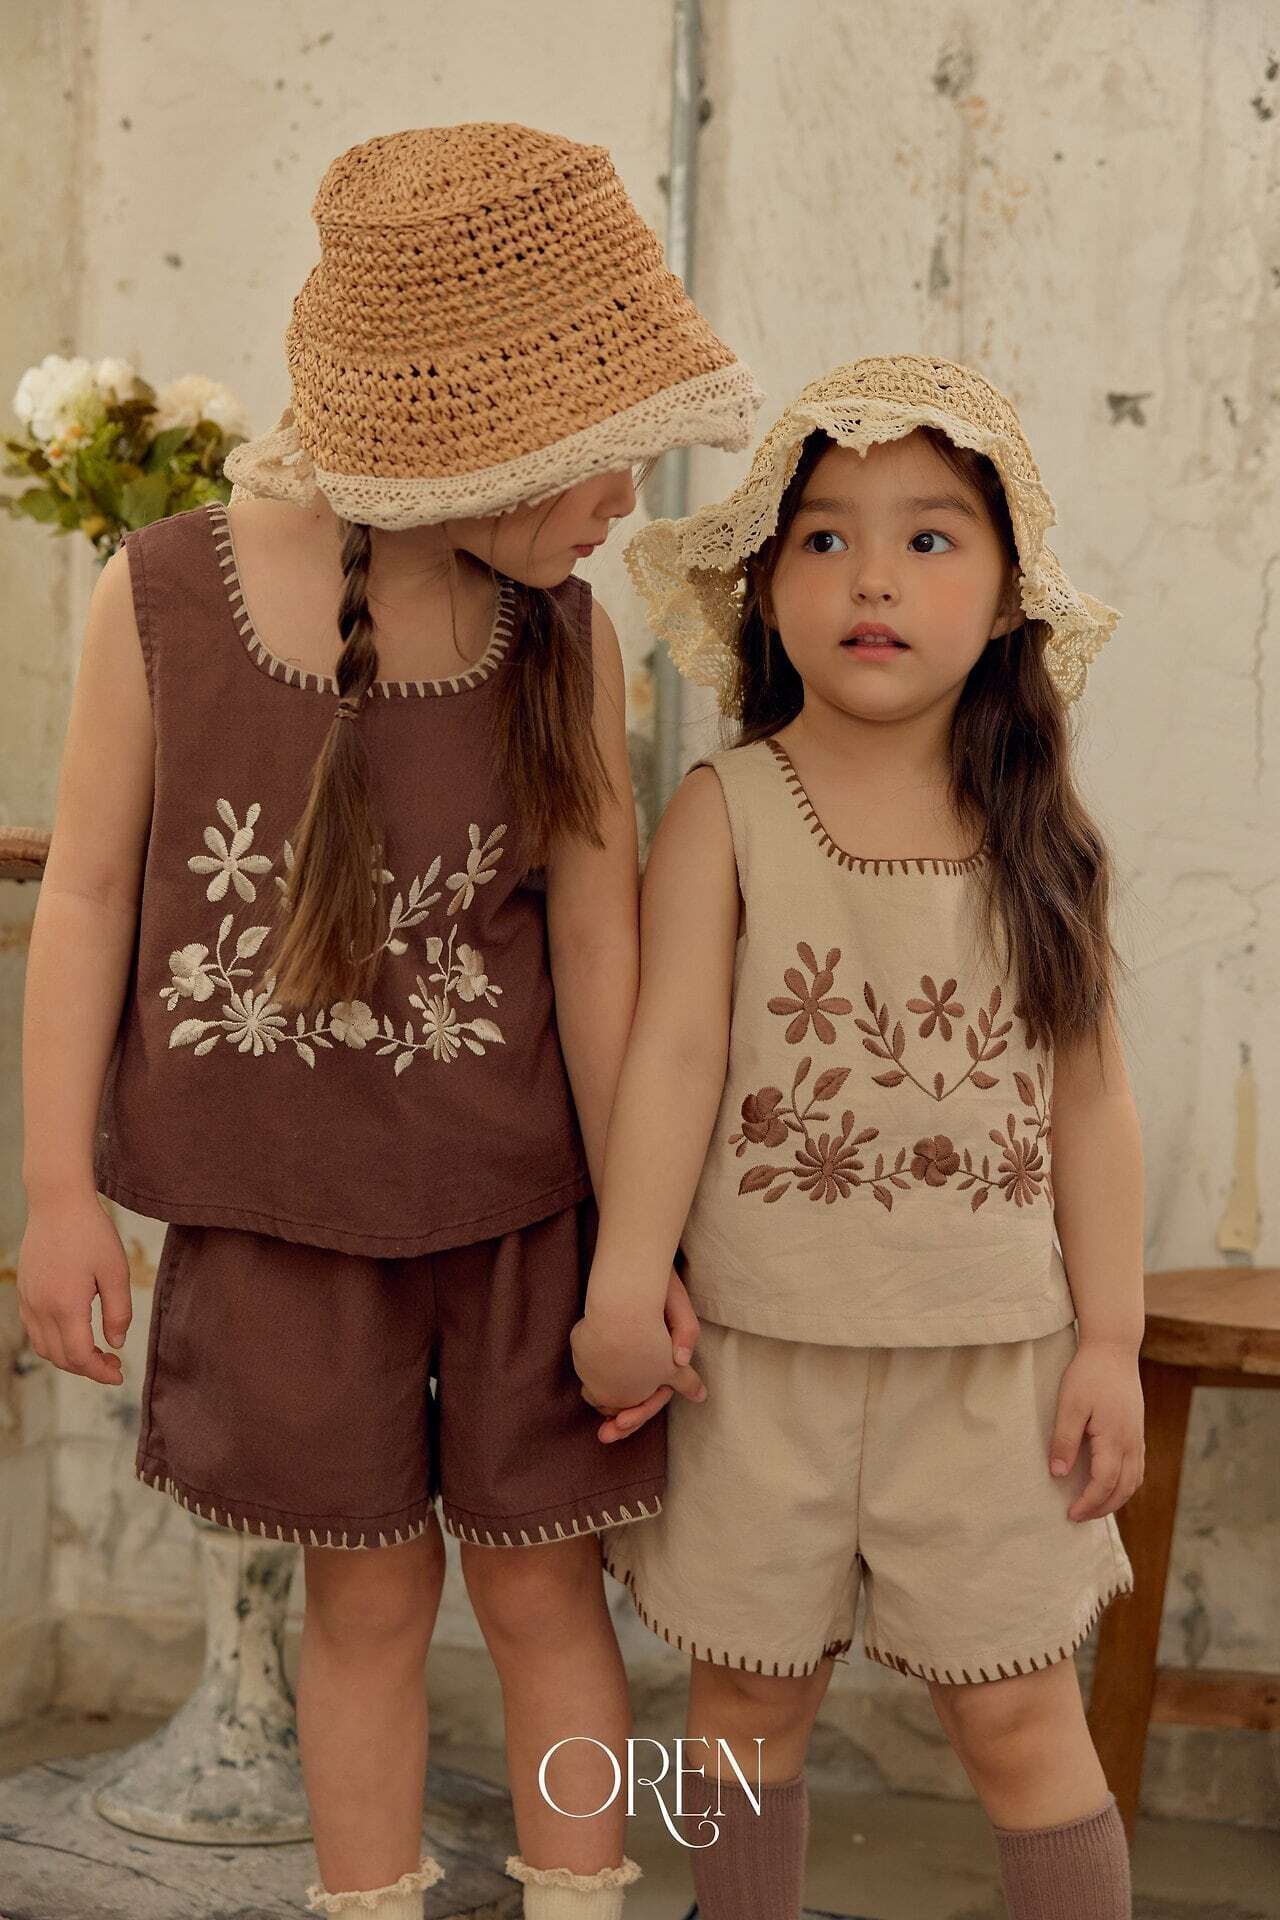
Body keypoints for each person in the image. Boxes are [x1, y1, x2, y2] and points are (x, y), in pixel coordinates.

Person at [16, 123, 763, 1920]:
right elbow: (89, 897)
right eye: (597, 457)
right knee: (362, 1601)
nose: (624, 500)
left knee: (543, 1592)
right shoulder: (160, 595)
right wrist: (55, 1195)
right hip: (281, 1219)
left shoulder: (562, 636)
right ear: (473, 444)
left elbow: (601, 954)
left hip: (520, 1222)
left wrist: (636, 1250)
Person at [573, 356, 1144, 1919]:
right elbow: (673, 1058)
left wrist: (1112, 1342)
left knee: (1021, 1720)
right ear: (767, 589)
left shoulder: (1045, 838)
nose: (871, 577)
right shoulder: (729, 809)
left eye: (928, 538)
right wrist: (625, 1277)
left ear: (1010, 596)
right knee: (748, 1708)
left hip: (993, 1375)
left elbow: (1092, 1104)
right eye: (823, 538)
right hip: (759, 1364)